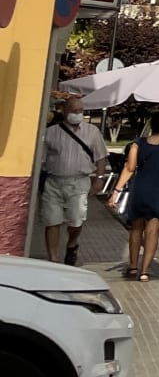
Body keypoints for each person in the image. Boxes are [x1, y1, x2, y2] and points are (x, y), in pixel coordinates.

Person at [109, 109, 159, 281]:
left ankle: (132, 267)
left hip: (141, 188)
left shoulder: (138, 143)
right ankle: (144, 271)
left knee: (136, 228)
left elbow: (130, 168)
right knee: (153, 230)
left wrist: (116, 191)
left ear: (151, 125)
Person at [39, 94, 104, 265]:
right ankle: (53, 259)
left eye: (80, 110)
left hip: (79, 182)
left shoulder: (92, 132)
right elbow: (41, 159)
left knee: (76, 220)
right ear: (64, 111)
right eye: (74, 110)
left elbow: (101, 157)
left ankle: (72, 243)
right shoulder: (50, 133)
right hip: (53, 182)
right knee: (52, 221)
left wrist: (99, 178)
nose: (78, 114)